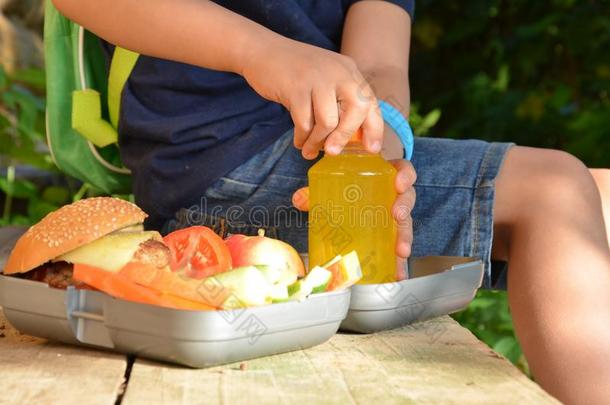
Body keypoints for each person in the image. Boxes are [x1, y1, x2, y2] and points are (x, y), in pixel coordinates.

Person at [52, 1, 610, 402]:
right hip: (219, 171)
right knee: (553, 190)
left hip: (316, 171)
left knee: (596, 198)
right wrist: (260, 53)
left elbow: (381, 70)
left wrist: (381, 157)